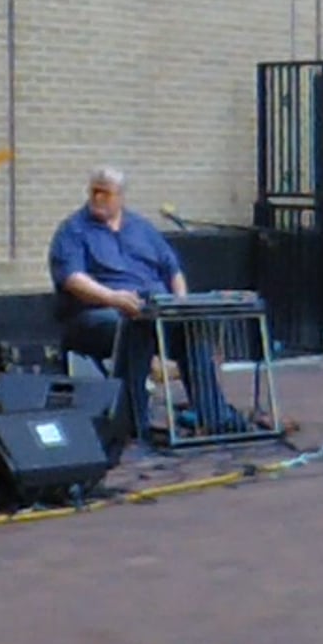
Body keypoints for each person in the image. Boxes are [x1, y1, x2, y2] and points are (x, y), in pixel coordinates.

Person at [47, 166, 243, 444]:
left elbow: (173, 270)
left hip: (155, 309)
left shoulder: (142, 227)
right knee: (135, 325)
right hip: (98, 313)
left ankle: (215, 417)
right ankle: (132, 421)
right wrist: (112, 297)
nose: (98, 198)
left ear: (121, 196)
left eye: (106, 193)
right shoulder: (73, 230)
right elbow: (72, 279)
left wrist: (180, 305)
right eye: (94, 191)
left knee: (192, 328)